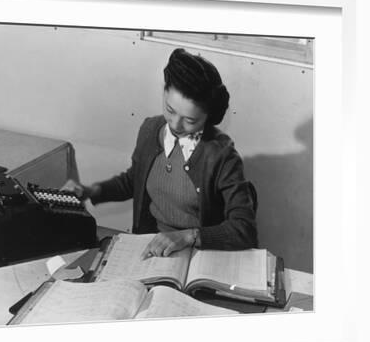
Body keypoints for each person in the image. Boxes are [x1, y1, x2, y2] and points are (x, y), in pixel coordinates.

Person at [62, 48, 258, 259]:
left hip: (199, 255)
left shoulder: (221, 156)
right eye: (170, 110)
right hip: (152, 247)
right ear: (164, 92)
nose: (175, 124)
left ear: (208, 118)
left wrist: (188, 236)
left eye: (190, 121)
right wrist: (91, 191)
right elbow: (133, 180)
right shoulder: (150, 130)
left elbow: (243, 229)